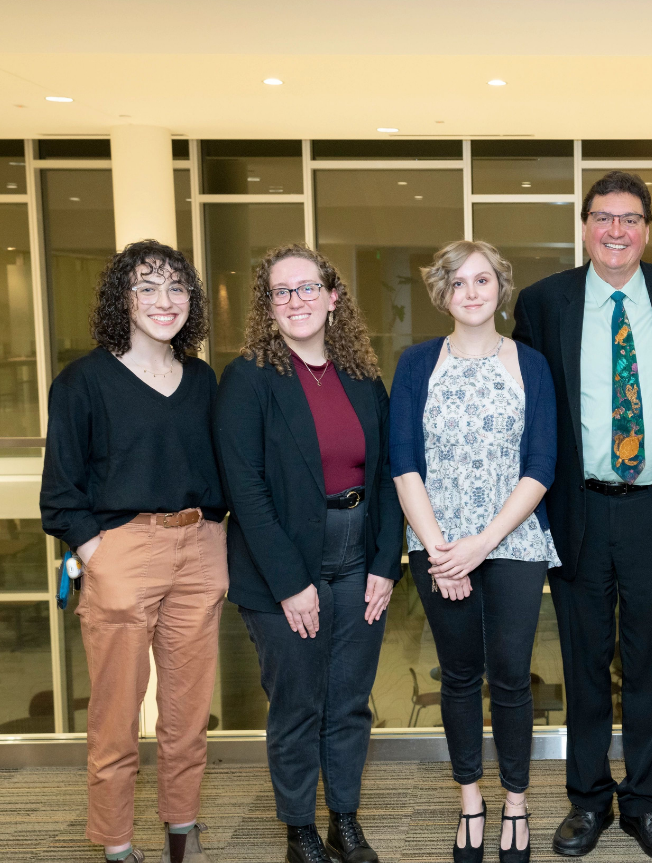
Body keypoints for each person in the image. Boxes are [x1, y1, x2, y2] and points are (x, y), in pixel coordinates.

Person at [513, 171, 652, 861]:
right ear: (584, 225)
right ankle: (589, 799)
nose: (616, 231)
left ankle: (647, 802)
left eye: (630, 218)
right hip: (579, 506)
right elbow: (525, 405)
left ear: (648, 228)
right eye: (603, 217)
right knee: (583, 659)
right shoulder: (545, 303)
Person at [213, 244, 402, 863]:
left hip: (357, 562)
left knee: (349, 702)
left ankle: (344, 819)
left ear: (333, 297)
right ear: (267, 306)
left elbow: (384, 477)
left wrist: (384, 563)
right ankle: (299, 829)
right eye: (280, 291)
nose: (295, 300)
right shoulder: (248, 378)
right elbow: (247, 490)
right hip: (282, 568)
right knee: (297, 704)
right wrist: (292, 585)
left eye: (306, 288)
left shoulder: (361, 376)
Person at [40, 240, 227, 863]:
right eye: (146, 287)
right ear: (123, 299)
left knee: (187, 716)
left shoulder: (203, 380)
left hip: (199, 551)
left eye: (176, 288)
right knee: (116, 720)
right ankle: (117, 846)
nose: (164, 301)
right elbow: (61, 492)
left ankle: (182, 834)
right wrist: (98, 554)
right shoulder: (81, 382)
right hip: (121, 552)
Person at [390, 240, 559, 863]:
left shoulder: (531, 365)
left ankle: (516, 800)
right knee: (459, 676)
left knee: (512, 675)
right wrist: (442, 553)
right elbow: (404, 462)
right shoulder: (415, 365)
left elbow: (542, 464)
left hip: (512, 540)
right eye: (457, 283)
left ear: (499, 288)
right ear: (442, 294)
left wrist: (483, 545)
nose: (471, 292)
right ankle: (471, 801)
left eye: (482, 280)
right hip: (435, 541)